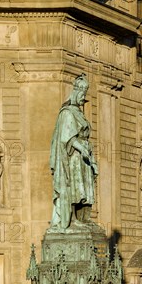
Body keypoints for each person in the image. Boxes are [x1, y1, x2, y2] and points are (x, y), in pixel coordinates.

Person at [49, 73, 98, 230]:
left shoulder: (79, 113)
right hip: (73, 157)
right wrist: (81, 148)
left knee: (87, 188)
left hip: (84, 157)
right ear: (76, 93)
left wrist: (92, 160)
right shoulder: (67, 112)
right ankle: (72, 219)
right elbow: (67, 137)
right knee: (76, 188)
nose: (83, 98)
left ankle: (85, 218)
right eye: (82, 94)